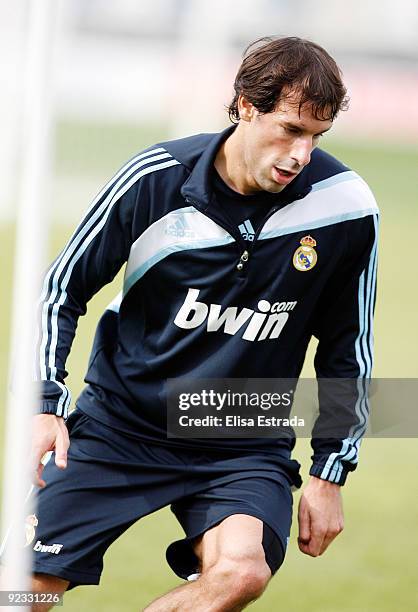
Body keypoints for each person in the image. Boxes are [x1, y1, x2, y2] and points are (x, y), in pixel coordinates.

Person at [29, 36, 378, 611]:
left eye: (317, 136)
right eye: (290, 129)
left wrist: (329, 472)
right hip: (120, 425)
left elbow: (349, 348)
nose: (301, 153)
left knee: (241, 571)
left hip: (241, 442)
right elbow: (60, 288)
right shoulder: (156, 180)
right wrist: (44, 403)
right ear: (245, 105)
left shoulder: (344, 207)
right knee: (22, 592)